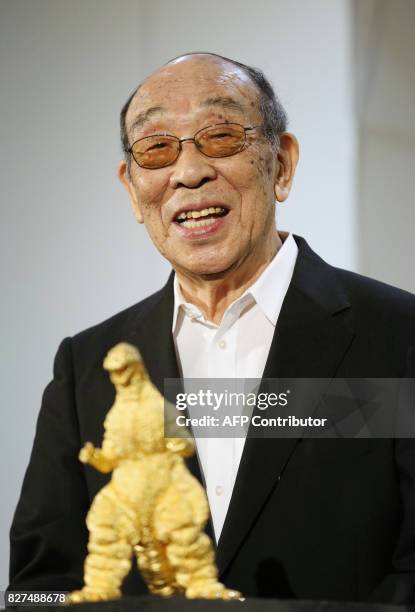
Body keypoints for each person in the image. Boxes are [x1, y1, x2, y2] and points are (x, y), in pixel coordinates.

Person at [8, 52, 415, 603]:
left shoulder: (398, 337)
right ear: (132, 189)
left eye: (221, 135)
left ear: (283, 164)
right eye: (157, 148)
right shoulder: (89, 365)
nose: (189, 171)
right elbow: (41, 588)